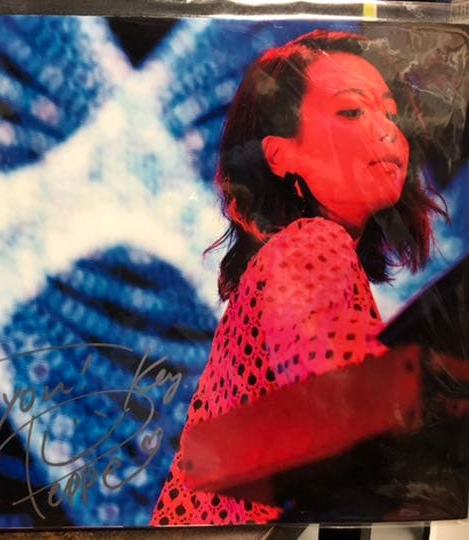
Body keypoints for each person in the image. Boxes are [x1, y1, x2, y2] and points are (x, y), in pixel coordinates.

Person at [150, 29, 448, 526]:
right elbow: (338, 385)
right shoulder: (310, 242)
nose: (387, 131)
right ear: (279, 155)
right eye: (351, 111)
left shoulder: (296, 253)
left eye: (391, 112)